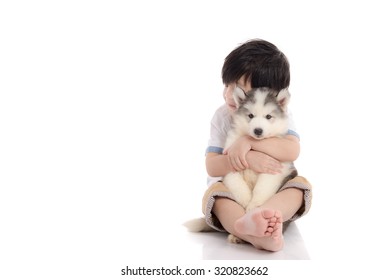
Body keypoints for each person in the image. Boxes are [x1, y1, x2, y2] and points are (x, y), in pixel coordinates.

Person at [203, 39, 312, 252]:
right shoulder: (222, 116)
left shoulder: (281, 115)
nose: (229, 95)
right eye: (227, 85)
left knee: (299, 188)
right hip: (232, 193)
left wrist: (248, 142)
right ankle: (253, 231)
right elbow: (212, 167)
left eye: (239, 88)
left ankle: (263, 216)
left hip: (271, 192)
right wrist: (246, 159)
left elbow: (292, 150)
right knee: (217, 197)